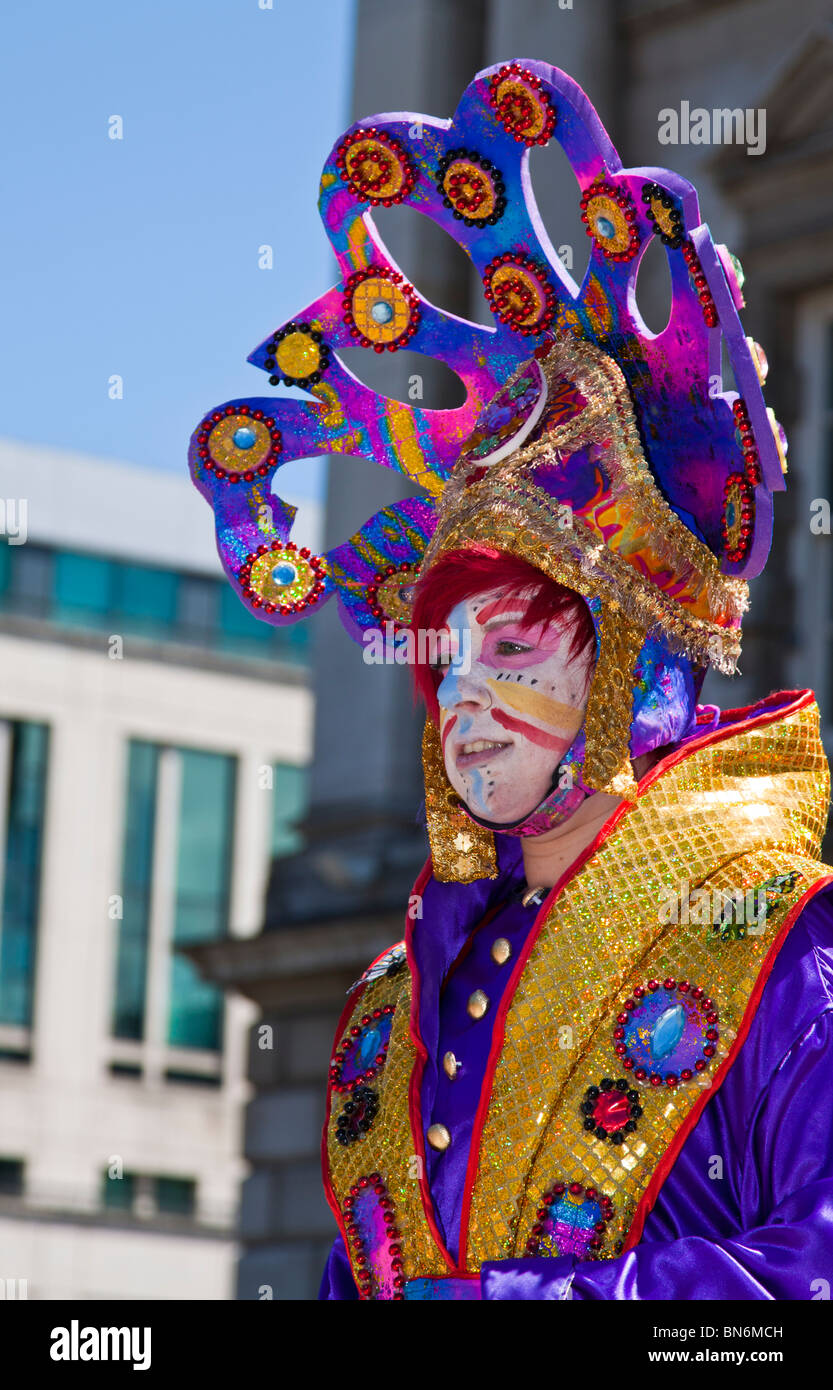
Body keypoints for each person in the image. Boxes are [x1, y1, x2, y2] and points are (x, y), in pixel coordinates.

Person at [188, 60, 833, 1300]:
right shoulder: (395, 1003)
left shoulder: (784, 945)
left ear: (632, 663)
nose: (463, 699)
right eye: (448, 656)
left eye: (517, 647)